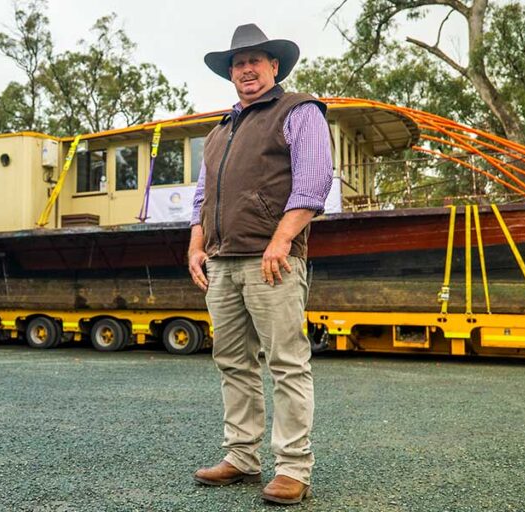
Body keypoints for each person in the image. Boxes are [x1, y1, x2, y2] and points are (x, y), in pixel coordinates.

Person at [187, 23, 333, 505]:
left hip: (273, 260)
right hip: (222, 262)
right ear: (230, 74)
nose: (247, 69)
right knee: (232, 361)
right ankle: (243, 456)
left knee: (287, 363)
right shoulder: (219, 132)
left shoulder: (299, 111)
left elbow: (313, 182)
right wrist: (195, 245)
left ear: (275, 67)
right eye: (238, 63)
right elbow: (203, 198)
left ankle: (293, 467)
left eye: (256, 60)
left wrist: (282, 241)